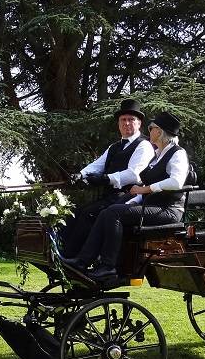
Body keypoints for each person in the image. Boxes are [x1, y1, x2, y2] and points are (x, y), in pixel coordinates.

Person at [64, 110, 190, 282]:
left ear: (160, 132)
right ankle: (82, 261)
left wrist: (145, 190)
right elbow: (142, 187)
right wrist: (132, 198)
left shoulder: (177, 153)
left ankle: (108, 267)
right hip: (152, 205)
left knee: (114, 213)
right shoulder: (158, 156)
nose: (149, 131)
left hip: (168, 210)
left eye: (152, 128)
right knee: (109, 211)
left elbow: (176, 182)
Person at [60, 98, 154, 257]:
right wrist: (81, 174)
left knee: (89, 214)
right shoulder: (114, 147)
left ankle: (76, 257)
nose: (126, 123)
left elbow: (133, 174)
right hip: (110, 196)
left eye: (131, 120)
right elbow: (97, 164)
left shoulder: (143, 145)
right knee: (75, 212)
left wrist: (105, 179)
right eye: (123, 120)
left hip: (128, 196)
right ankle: (65, 252)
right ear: (118, 124)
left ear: (139, 123)